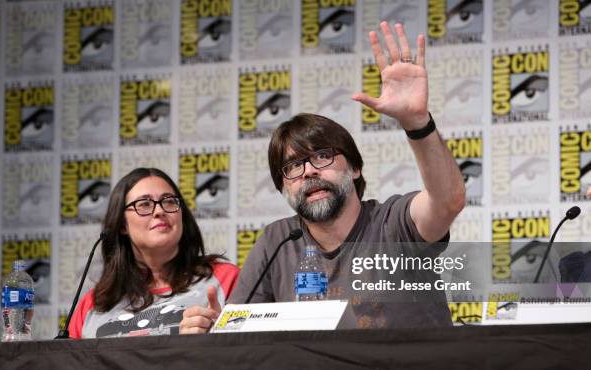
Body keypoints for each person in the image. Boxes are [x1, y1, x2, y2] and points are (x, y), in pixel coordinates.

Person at [180, 21, 465, 333]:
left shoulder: (392, 224)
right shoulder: (277, 242)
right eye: (292, 167)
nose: (309, 171)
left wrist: (417, 122)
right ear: (284, 187)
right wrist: (213, 335)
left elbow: (447, 201)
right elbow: (238, 337)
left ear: (355, 167)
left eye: (321, 156)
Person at [69, 168, 238, 338]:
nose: (159, 211)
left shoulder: (224, 279)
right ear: (122, 225)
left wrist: (219, 335)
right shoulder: (94, 302)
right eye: (144, 204)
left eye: (169, 201)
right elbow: (67, 362)